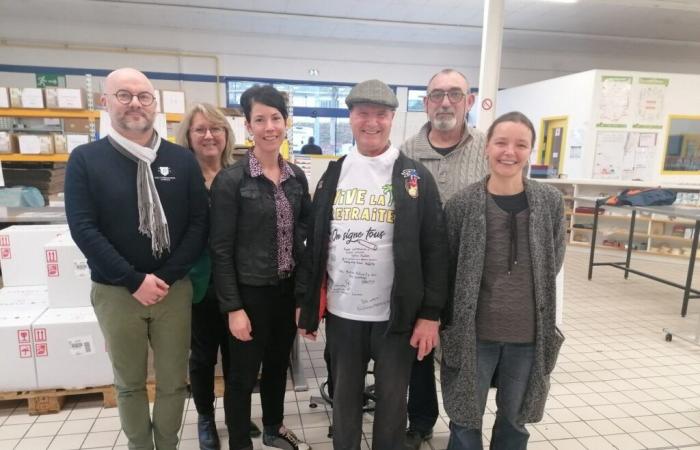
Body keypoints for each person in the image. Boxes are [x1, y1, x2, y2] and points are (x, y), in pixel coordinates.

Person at [295, 79, 448, 450]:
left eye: (381, 114)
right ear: (350, 117)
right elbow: (315, 245)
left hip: (396, 317)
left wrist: (430, 313)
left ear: (392, 118)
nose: (372, 122)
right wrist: (307, 306)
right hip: (344, 313)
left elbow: (436, 250)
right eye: (363, 113)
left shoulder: (414, 177)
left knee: (393, 405)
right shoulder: (334, 174)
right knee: (344, 401)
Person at [65, 67, 209, 450]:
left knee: (173, 381)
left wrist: (165, 276)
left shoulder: (181, 161)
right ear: (105, 102)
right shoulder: (85, 160)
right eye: (124, 95)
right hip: (116, 292)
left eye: (143, 96)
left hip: (173, 290)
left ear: (155, 104)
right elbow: (84, 229)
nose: (135, 104)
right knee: (128, 383)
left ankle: (167, 445)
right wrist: (133, 280)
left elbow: (198, 223)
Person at [441, 111, 566, 450]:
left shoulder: (550, 202)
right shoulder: (462, 205)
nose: (509, 152)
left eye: (520, 144)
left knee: (515, 420)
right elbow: (448, 269)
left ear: (530, 151)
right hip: (474, 335)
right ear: (486, 147)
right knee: (465, 419)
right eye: (501, 142)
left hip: (528, 336)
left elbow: (553, 262)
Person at [209, 85, 312, 450]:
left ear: (286, 123)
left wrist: (302, 296)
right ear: (248, 126)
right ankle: (240, 440)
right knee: (242, 375)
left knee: (277, 366)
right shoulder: (232, 181)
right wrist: (233, 308)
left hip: (285, 292)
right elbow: (220, 250)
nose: (270, 127)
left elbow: (305, 242)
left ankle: (273, 427)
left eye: (276, 118)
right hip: (248, 293)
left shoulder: (296, 178)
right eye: (260, 119)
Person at [399, 68, 488, 448]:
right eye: (437, 95)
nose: (445, 101)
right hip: (419, 274)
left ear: (469, 101)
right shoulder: (404, 153)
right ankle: (420, 421)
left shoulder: (488, 148)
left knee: (467, 355)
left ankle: (463, 424)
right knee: (418, 351)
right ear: (425, 103)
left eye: (455, 93)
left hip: (474, 275)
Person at [175, 103, 261, 450]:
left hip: (239, 285)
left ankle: (236, 416)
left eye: (216, 129)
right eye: (200, 130)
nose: (209, 135)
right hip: (197, 283)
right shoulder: (180, 179)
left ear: (228, 135)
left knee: (238, 356)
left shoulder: (241, 174)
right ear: (189, 136)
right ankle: (205, 417)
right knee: (203, 356)